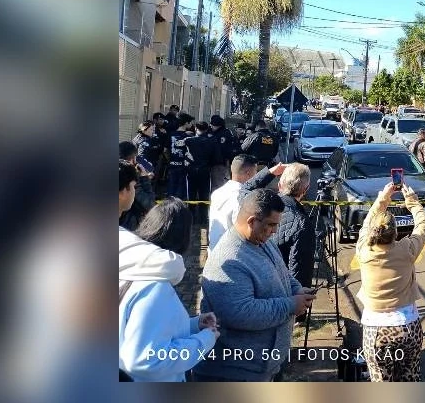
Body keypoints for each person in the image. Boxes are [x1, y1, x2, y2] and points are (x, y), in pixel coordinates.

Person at [194, 189, 315, 382]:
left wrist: (296, 289)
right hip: (237, 372)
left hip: (264, 366)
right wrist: (291, 305)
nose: (275, 231)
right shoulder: (230, 260)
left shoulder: (262, 240)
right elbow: (242, 313)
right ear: (251, 221)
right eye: (271, 225)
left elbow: (282, 272)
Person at [119, 198, 220, 381]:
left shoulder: (127, 268)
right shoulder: (154, 287)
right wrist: (204, 340)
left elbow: (137, 329)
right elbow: (145, 360)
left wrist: (193, 325)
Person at [356, 183, 425, 381]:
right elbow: (423, 226)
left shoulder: (364, 250)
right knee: (410, 377)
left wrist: (383, 198)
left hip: (376, 330)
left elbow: (367, 222)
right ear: (395, 232)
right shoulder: (406, 249)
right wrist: (412, 202)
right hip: (408, 326)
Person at [208, 157, 287, 251]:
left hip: (214, 247)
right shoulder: (242, 199)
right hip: (231, 252)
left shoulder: (217, 193)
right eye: (256, 172)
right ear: (248, 174)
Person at [269, 163, 318, 292]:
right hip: (281, 294)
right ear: (306, 189)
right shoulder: (302, 224)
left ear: (279, 185)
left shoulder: (262, 206)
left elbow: (245, 189)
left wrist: (269, 173)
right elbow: (300, 271)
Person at [186, 121, 219, 208]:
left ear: (196, 129)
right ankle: (203, 217)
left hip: (191, 170)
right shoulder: (212, 142)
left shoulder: (189, 141)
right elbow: (216, 158)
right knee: (204, 195)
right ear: (207, 129)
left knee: (191, 194)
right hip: (205, 170)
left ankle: (191, 214)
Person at [164, 113, 195, 200]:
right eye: (190, 122)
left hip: (172, 165)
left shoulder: (171, 134)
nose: (192, 124)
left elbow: (165, 150)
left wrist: (170, 159)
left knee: (171, 190)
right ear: (186, 123)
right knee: (182, 192)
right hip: (184, 167)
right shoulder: (189, 136)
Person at [209, 115, 239, 190]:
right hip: (219, 162)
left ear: (217, 125)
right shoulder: (227, 132)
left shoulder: (221, 134)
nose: (211, 126)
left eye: (213, 125)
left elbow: (224, 149)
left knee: (218, 184)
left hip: (219, 163)